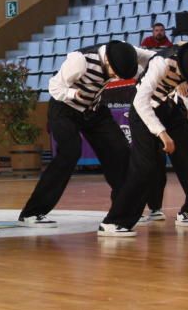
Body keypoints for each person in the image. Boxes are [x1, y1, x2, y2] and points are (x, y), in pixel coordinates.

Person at [99, 43, 188, 236]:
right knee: (145, 167)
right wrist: (161, 133)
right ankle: (113, 222)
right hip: (144, 110)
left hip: (168, 107)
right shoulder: (162, 63)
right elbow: (140, 102)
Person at [17, 41, 149, 226]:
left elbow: (153, 58)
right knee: (69, 153)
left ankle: (124, 209)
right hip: (65, 108)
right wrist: (72, 94)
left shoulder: (126, 51)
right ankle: (32, 213)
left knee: (120, 151)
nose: (117, 78)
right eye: (115, 73)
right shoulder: (80, 61)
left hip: (94, 109)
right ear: (108, 61)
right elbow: (54, 87)